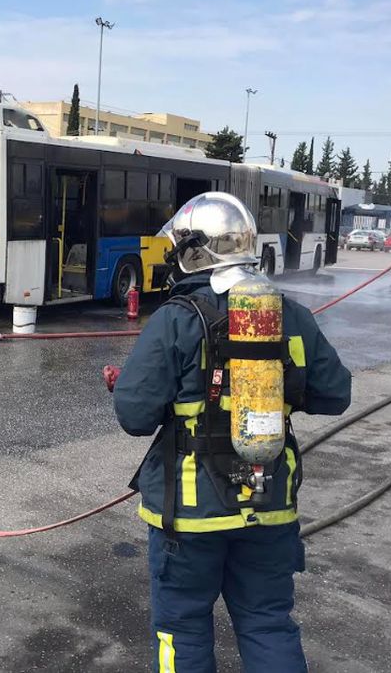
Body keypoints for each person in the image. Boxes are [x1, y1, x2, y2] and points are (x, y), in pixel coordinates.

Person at [113, 192, 351, 672]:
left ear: (194, 250)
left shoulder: (176, 319)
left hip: (190, 517)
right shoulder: (290, 316)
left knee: (181, 630)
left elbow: (135, 417)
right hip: (270, 506)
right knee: (268, 623)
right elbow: (334, 394)